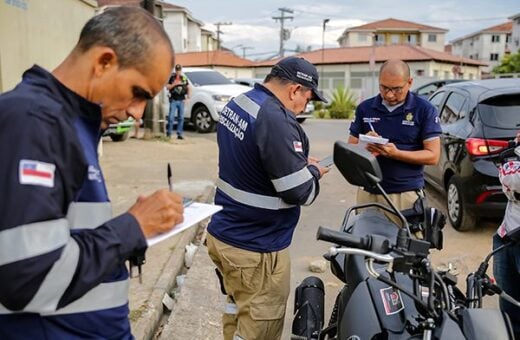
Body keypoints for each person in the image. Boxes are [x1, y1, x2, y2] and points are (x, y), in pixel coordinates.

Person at [0, 7, 184, 339]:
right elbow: (30, 276)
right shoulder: (34, 121)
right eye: (138, 93)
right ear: (103, 62)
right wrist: (132, 226)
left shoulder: (76, 123)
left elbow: (66, 231)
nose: (136, 113)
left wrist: (135, 230)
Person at [206, 56, 329, 340]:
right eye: (307, 99)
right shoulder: (276, 119)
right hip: (256, 248)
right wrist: (311, 171)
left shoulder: (240, 103)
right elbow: (302, 192)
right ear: (295, 90)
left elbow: (253, 157)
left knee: (237, 313)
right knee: (260, 325)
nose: (304, 107)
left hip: (226, 234)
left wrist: (291, 162)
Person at [348, 59, 441, 222]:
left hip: (404, 194)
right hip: (368, 193)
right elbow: (351, 147)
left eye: (397, 89)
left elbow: (433, 156)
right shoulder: (365, 108)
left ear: (409, 82)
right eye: (384, 88)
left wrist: (397, 154)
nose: (390, 95)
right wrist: (366, 146)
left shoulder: (424, 110)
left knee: (403, 245)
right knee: (364, 243)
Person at [493, 131, 520, 339]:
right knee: (509, 309)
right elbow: (507, 181)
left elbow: (513, 179)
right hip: (507, 235)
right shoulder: (515, 150)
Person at [166, 63, 190, 140]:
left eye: (179, 70)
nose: (178, 72)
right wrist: (174, 84)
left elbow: (188, 87)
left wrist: (188, 98)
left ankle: (179, 134)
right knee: (171, 118)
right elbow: (167, 87)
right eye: (177, 70)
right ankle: (169, 133)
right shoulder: (172, 78)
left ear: (181, 70)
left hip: (181, 100)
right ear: (175, 70)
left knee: (181, 118)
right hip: (174, 100)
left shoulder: (183, 78)